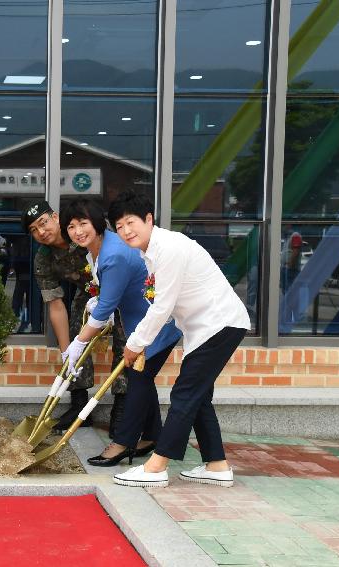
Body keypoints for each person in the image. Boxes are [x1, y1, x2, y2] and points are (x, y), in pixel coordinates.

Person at [107, 191, 250, 488]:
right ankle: (217, 465)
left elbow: (162, 307)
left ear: (149, 219)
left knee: (184, 395)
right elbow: (163, 305)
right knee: (198, 398)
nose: (126, 231)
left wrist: (134, 344)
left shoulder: (169, 248)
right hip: (207, 328)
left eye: (130, 222)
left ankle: (156, 467)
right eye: (119, 227)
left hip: (218, 324)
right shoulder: (151, 252)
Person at [59, 198, 181, 467]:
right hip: (143, 324)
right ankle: (151, 437)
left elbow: (104, 310)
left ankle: (122, 443)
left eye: (83, 223)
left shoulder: (113, 254)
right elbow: (108, 296)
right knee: (142, 379)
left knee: (137, 380)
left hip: (154, 326)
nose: (78, 231)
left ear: (97, 223)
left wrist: (78, 342)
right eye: (70, 226)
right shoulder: (97, 248)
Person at [21, 200, 128, 434]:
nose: (41, 232)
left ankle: (122, 406)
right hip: (90, 291)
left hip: (121, 286)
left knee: (125, 340)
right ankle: (79, 404)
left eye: (43, 222)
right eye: (34, 230)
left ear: (56, 217)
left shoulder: (80, 233)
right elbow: (55, 304)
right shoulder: (44, 258)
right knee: (74, 328)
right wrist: (66, 352)